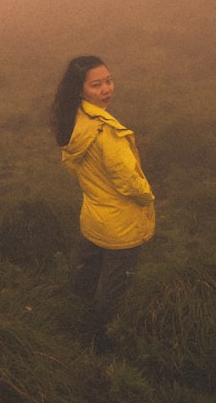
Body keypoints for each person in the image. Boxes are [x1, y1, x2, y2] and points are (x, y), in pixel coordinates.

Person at [51, 55, 155, 351]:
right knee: (115, 291)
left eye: (108, 81)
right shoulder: (105, 132)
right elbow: (128, 181)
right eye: (96, 85)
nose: (106, 89)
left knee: (85, 278)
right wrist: (148, 195)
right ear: (80, 89)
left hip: (94, 216)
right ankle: (104, 346)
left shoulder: (73, 121)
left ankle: (70, 326)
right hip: (121, 226)